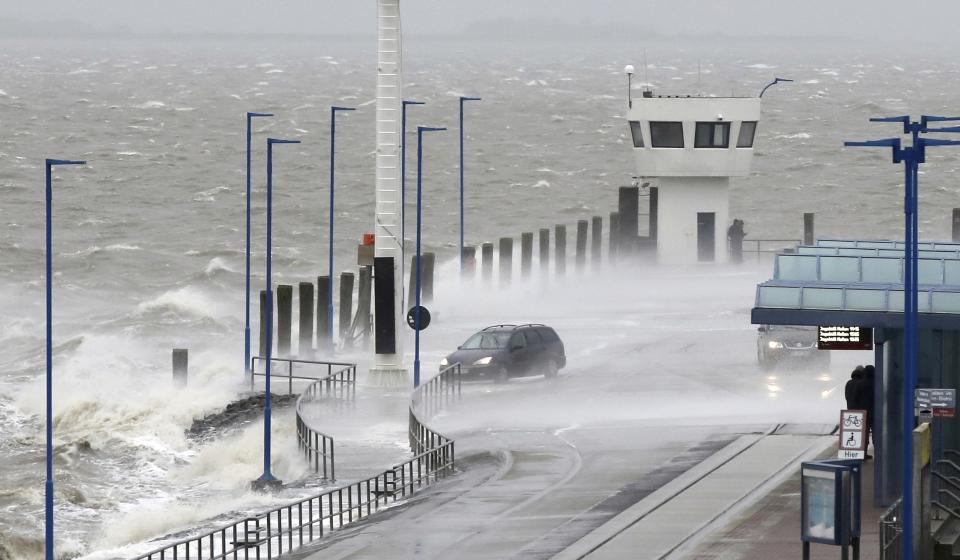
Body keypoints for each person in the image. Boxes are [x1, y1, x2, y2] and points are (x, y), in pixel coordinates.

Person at [855, 365, 876, 459]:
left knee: (864, 434)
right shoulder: (877, 383)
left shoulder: (860, 383)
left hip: (863, 412)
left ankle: (863, 454)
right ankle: (878, 451)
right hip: (875, 412)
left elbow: (856, 397)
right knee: (876, 433)